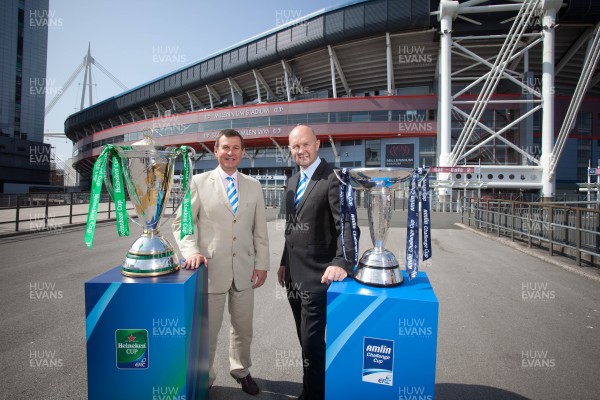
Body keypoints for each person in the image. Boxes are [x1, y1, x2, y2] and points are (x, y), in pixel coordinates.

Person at [172, 129, 269, 396]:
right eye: (225, 147)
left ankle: (241, 371)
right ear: (216, 151)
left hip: (244, 270)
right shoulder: (199, 183)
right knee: (208, 331)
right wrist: (190, 250)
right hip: (210, 270)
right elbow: (184, 224)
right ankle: (206, 376)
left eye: (236, 148)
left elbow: (259, 231)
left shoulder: (254, 186)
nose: (230, 153)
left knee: (243, 327)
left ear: (243, 152)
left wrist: (262, 264)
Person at [278, 125, 356, 400]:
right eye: (295, 147)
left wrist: (341, 262)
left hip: (319, 277)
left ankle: (313, 395)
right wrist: (283, 262)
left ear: (318, 143)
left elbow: (346, 225)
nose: (301, 151)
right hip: (293, 278)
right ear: (290, 150)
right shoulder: (292, 182)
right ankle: (314, 389)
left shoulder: (333, 178)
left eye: (305, 144)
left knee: (311, 343)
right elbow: (291, 229)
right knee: (305, 341)